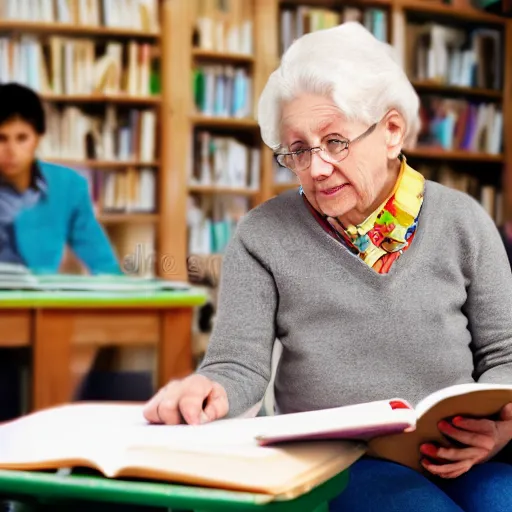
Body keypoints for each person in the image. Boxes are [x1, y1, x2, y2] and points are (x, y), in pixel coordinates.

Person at [143, 22, 512, 511]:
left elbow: (504, 352)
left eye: (335, 141)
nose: (316, 168)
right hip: (340, 463)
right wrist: (206, 387)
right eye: (298, 150)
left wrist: (500, 429)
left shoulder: (463, 220)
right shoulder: (263, 234)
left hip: (469, 457)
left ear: (392, 131)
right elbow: (238, 365)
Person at [0, 82, 120, 274]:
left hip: (39, 299)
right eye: (1, 139)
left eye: (22, 138)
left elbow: (101, 260)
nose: (11, 151)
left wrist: (122, 297)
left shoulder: (70, 187)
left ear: (38, 138)